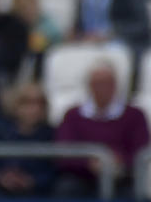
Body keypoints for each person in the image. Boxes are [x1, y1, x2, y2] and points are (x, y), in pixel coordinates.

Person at [55, 60, 150, 198]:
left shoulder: (135, 115)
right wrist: (88, 164)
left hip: (122, 178)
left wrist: (119, 162)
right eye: (97, 84)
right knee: (65, 188)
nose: (102, 88)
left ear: (115, 86)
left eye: (107, 83)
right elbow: (65, 151)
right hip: (81, 178)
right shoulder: (73, 115)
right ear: (89, 86)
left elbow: (140, 150)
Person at [0, 83, 55, 196]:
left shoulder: (50, 135)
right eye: (27, 103)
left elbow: (54, 169)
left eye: (39, 104)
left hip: (38, 194)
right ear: (15, 105)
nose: (34, 109)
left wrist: (33, 181)